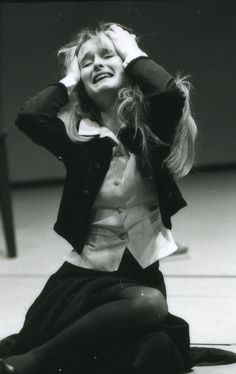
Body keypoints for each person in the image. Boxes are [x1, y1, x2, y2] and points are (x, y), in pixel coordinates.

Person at [0, 23, 197, 374]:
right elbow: (31, 117)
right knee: (145, 311)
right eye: (87, 62)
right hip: (83, 280)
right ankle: (32, 362)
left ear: (127, 66)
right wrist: (71, 77)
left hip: (138, 275)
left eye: (108, 55)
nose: (97, 65)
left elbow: (168, 94)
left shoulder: (151, 128)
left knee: (151, 343)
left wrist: (132, 50)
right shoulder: (77, 139)